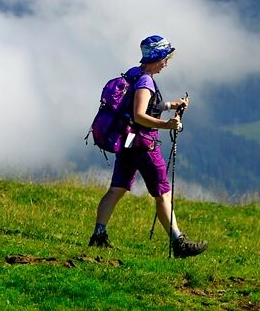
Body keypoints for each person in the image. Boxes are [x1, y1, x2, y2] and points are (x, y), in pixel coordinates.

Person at [89, 35, 208, 258]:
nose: (166, 63)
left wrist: (172, 105)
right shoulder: (146, 81)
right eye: (165, 58)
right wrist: (167, 124)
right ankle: (179, 243)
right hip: (144, 145)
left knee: (117, 189)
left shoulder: (135, 74)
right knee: (163, 193)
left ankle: (98, 234)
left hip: (127, 143)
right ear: (157, 57)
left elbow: (144, 105)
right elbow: (140, 114)